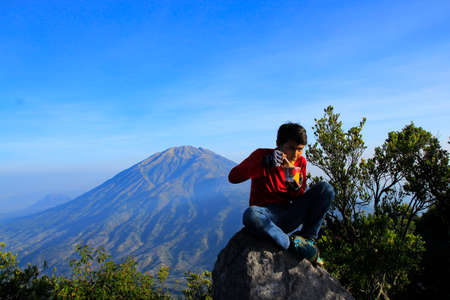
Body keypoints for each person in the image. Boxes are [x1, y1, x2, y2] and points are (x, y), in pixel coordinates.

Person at [228, 122, 334, 265]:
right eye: (291, 148)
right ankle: (290, 244)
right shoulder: (262, 155)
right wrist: (263, 164)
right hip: (265, 215)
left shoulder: (300, 162)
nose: (296, 154)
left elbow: (297, 196)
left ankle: (306, 239)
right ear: (278, 143)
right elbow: (233, 177)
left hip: (288, 212)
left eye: (300, 149)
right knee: (251, 215)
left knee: (326, 189)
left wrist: (296, 187)